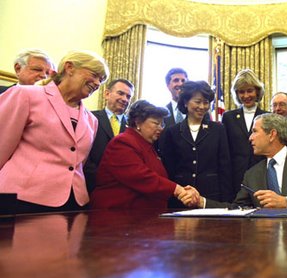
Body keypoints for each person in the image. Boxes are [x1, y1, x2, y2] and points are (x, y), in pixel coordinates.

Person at [0, 50, 109, 214]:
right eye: (94, 75)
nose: (97, 83)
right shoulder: (25, 95)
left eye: (101, 80)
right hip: (23, 200)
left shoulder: (92, 120)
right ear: (69, 67)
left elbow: (78, 163)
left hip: (74, 204)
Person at [190, 113, 287, 209]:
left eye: (254, 131)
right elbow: (237, 210)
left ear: (272, 134)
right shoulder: (252, 174)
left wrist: (286, 202)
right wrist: (202, 202)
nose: (250, 138)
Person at [90, 100, 198, 209]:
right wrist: (177, 190)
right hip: (116, 214)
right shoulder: (122, 142)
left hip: (141, 217)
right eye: (156, 123)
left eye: (162, 124)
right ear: (138, 122)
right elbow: (140, 176)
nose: (161, 128)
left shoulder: (148, 146)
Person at [162, 81, 232, 208]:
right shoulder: (172, 132)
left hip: (211, 197)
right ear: (185, 102)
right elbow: (169, 170)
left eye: (206, 102)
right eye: (198, 101)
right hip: (181, 198)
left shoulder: (218, 129)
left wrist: (226, 202)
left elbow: (225, 167)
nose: (202, 106)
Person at [222, 69, 268, 200]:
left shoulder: (268, 117)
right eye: (241, 91)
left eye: (250, 90)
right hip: (235, 177)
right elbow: (226, 151)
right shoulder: (228, 117)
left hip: (262, 176)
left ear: (257, 91)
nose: (246, 95)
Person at [84, 78, 134, 193]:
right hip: (92, 186)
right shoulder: (89, 117)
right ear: (107, 94)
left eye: (128, 96)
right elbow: (83, 153)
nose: (124, 99)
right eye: (120, 93)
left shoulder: (133, 126)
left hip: (123, 189)